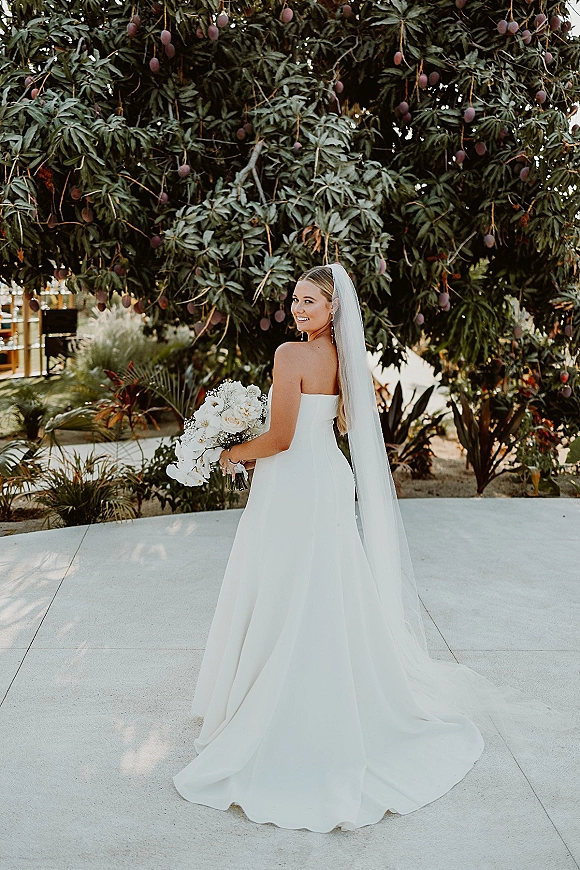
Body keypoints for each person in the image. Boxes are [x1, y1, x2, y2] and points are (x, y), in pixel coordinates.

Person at [172, 263, 577, 833]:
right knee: (324, 586)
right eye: (294, 300)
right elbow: (324, 428)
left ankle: (281, 698)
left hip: (295, 484)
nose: (298, 309)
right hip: (330, 479)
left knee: (287, 584)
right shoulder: (344, 359)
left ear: (333, 306)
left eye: (310, 301)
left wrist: (230, 453)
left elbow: (282, 438)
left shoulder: (291, 355)